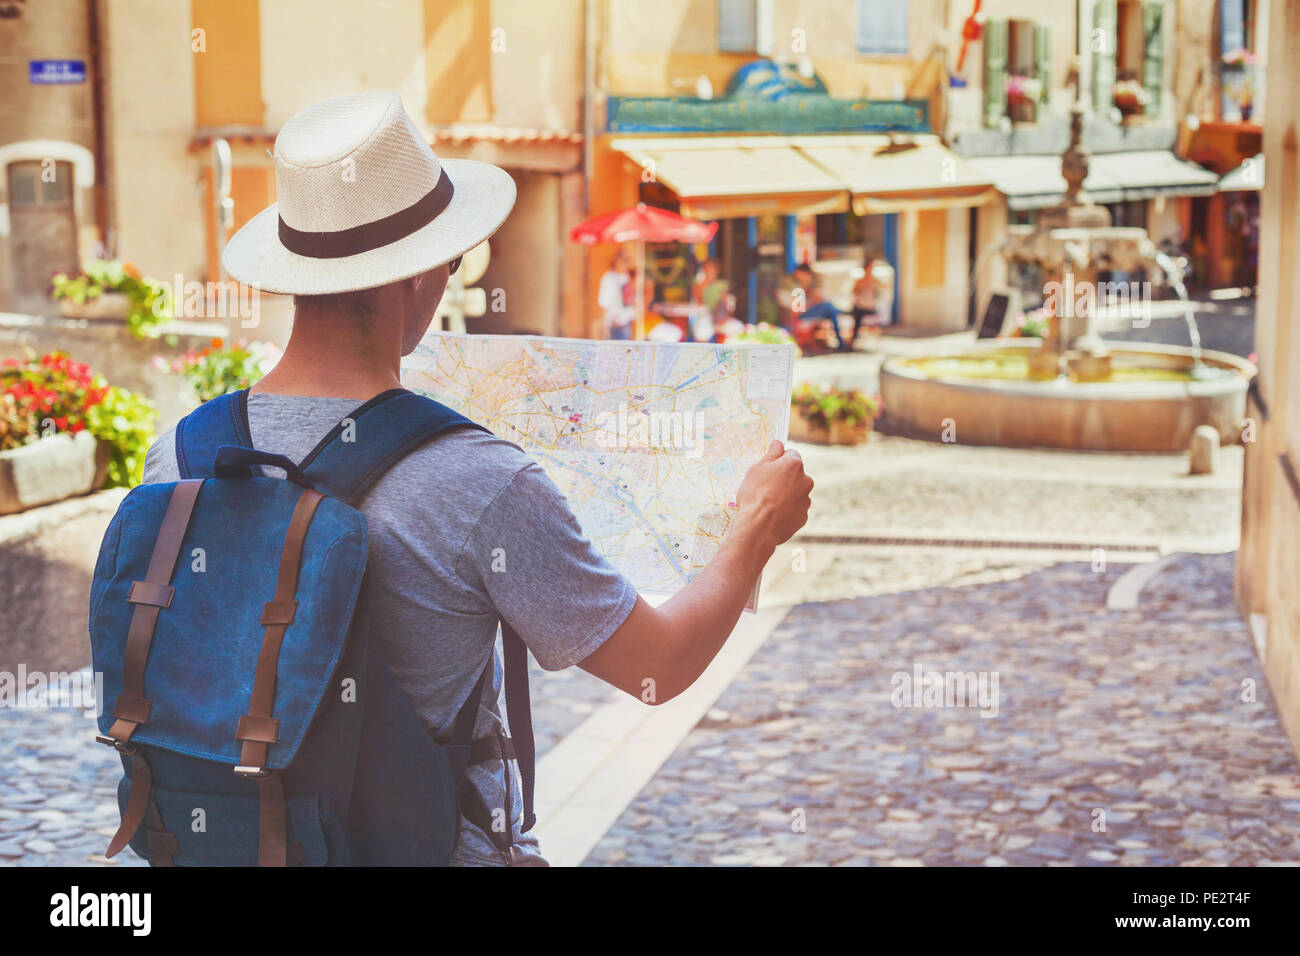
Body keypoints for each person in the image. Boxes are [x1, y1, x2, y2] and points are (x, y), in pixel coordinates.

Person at [140, 92, 813, 866]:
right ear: (426, 270)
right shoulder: (478, 480)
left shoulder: (180, 456)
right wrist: (755, 526)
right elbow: (656, 668)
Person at [598, 247, 637, 339]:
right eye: (624, 260)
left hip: (626, 323)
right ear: (616, 260)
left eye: (628, 260)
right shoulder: (609, 278)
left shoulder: (626, 277)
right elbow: (604, 303)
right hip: (615, 325)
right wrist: (605, 325)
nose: (626, 263)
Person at [847, 260, 883, 350]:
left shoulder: (875, 281)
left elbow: (885, 288)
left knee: (857, 313)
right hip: (861, 307)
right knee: (856, 313)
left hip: (870, 308)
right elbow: (853, 293)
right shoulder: (860, 281)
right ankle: (854, 340)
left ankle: (855, 340)